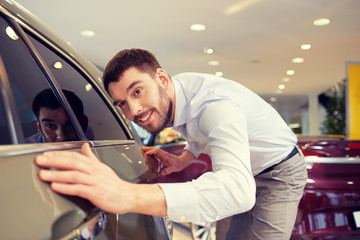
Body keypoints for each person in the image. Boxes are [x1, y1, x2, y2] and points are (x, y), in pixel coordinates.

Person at [35, 49, 307, 239]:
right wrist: (182, 160)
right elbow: (200, 134)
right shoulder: (177, 96)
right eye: (123, 104)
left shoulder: (214, 104)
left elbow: (238, 190)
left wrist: (126, 195)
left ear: (162, 79)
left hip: (280, 171)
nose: (134, 111)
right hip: (246, 169)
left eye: (137, 91)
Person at [26, 88, 93, 143]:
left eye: (70, 125)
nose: (62, 137)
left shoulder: (88, 133)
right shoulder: (25, 153)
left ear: (84, 124)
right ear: (39, 127)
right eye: (50, 126)